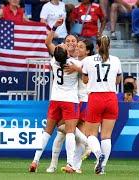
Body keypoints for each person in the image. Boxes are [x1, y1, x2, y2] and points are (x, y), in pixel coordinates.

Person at [29, 45, 87, 173]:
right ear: (66, 52)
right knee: (70, 132)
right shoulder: (75, 63)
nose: (64, 44)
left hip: (55, 99)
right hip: (70, 100)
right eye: (64, 45)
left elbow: (53, 49)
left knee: (47, 132)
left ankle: (35, 161)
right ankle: (70, 163)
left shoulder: (53, 62)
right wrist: (77, 68)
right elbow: (88, 72)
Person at [46, 39, 95, 174]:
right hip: (73, 100)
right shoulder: (73, 61)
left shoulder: (87, 62)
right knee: (63, 132)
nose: (77, 48)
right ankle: (58, 164)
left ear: (88, 51)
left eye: (80, 46)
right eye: (76, 45)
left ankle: (74, 164)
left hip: (82, 100)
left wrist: (77, 69)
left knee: (68, 132)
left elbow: (91, 76)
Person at [82, 35, 122, 174]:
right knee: (106, 136)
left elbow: (85, 80)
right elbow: (118, 80)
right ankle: (102, 168)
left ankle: (99, 155)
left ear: (97, 46)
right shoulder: (116, 60)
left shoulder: (88, 60)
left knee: (90, 134)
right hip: (111, 98)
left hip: (95, 97)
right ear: (109, 46)